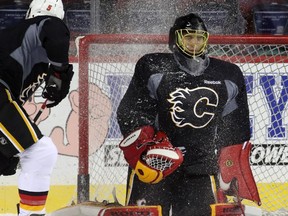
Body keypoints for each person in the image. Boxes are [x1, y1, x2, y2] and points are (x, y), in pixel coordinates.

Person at [117, 13, 261, 215]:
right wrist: (144, 149)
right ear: (175, 38)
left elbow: (236, 127)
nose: (194, 43)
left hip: (200, 168)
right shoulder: (153, 67)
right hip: (156, 167)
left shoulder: (227, 75)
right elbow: (131, 111)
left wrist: (231, 167)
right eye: (188, 37)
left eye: (199, 38)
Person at [0, 0, 73, 215]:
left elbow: (12, 108)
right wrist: (61, 72)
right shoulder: (44, 24)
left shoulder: (30, 57)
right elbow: (54, 31)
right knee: (40, 152)